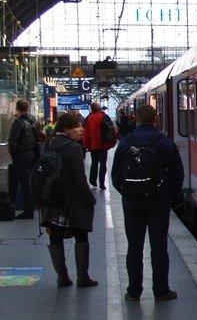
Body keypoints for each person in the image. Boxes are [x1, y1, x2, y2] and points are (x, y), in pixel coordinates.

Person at [111, 103, 184, 302]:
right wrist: (169, 196)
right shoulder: (164, 142)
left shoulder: (126, 142)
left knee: (134, 247)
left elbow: (116, 174)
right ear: (156, 119)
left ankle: (134, 292)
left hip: (132, 204)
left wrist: (128, 192)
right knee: (159, 246)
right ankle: (161, 291)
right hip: (158, 202)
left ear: (136, 119)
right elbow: (177, 173)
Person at [40, 112, 98, 287]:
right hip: (72, 200)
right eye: (77, 126)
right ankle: (82, 276)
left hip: (52, 199)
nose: (81, 129)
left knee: (55, 236)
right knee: (81, 234)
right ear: (66, 130)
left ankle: (62, 276)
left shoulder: (48, 144)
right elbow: (80, 180)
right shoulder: (74, 148)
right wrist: (90, 199)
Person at [6, 98, 40, 219]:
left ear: (17, 108)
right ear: (28, 108)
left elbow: (13, 141)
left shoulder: (19, 123)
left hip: (22, 155)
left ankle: (28, 210)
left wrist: (13, 154)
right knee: (29, 182)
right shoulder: (33, 121)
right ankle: (32, 205)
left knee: (24, 183)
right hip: (32, 154)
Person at [82, 102, 117, 189]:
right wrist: (114, 140)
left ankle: (93, 181)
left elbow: (85, 132)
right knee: (103, 164)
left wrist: (86, 144)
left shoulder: (88, 118)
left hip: (93, 145)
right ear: (99, 108)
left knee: (94, 163)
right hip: (103, 144)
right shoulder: (104, 116)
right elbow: (112, 129)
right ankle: (102, 183)